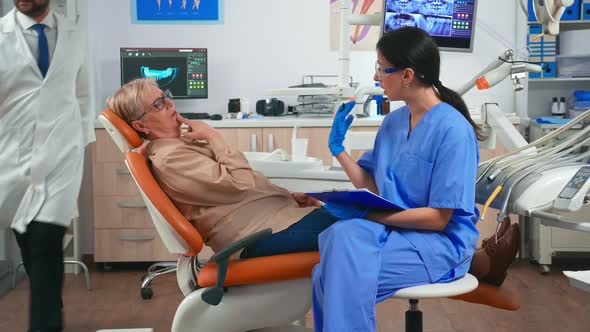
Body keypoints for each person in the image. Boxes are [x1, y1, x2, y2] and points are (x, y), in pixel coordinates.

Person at [106, 78, 519, 274]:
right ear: (141, 125)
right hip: (256, 240)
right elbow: (239, 183)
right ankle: (479, 262)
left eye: (167, 97)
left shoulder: (181, 145)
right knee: (365, 215)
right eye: (160, 103)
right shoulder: (171, 157)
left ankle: (475, 259)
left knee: (365, 211)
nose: (171, 105)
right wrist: (215, 135)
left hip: (274, 221)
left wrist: (290, 198)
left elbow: (242, 191)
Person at [311, 26, 517, 332]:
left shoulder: (452, 131)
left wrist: (374, 214)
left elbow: (437, 219)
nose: (376, 77)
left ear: (407, 75)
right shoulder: (393, 122)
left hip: (436, 242)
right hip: (394, 231)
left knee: (334, 274)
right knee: (340, 237)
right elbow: (371, 185)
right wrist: (338, 150)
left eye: (382, 69)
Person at [0, 1, 94, 331]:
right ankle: (49, 298)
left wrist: (78, 144)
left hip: (62, 156)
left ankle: (46, 324)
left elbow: (83, 95)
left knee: (45, 239)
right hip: (11, 158)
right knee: (30, 240)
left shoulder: (74, 34)